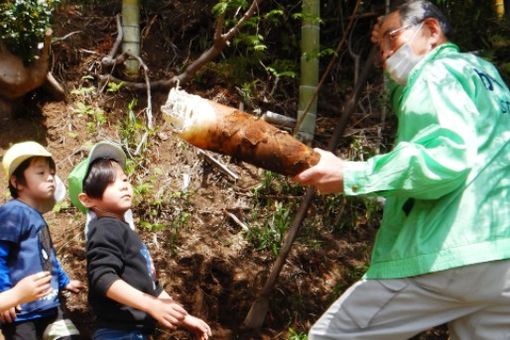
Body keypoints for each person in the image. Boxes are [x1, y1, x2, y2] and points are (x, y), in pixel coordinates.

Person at [294, 1, 510, 339]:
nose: (384, 55)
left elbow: (446, 157)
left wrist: (351, 174)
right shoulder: (483, 73)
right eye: (380, 47)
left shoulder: (434, 73)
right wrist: (391, 40)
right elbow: (420, 101)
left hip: (453, 249)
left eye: (391, 40)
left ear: (432, 30)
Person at [68, 141, 212, 340]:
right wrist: (150, 304)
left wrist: (185, 318)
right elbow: (102, 278)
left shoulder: (124, 232)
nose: (124, 186)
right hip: (118, 334)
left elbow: (152, 287)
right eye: (110, 182)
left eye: (125, 180)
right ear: (87, 199)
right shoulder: (104, 228)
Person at [0, 141, 84, 339]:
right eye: (40, 173)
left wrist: (64, 281)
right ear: (17, 182)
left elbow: (46, 256)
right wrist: (5, 296)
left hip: (49, 306)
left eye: (52, 173)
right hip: (22, 314)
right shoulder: (12, 213)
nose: (50, 178)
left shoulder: (35, 216)